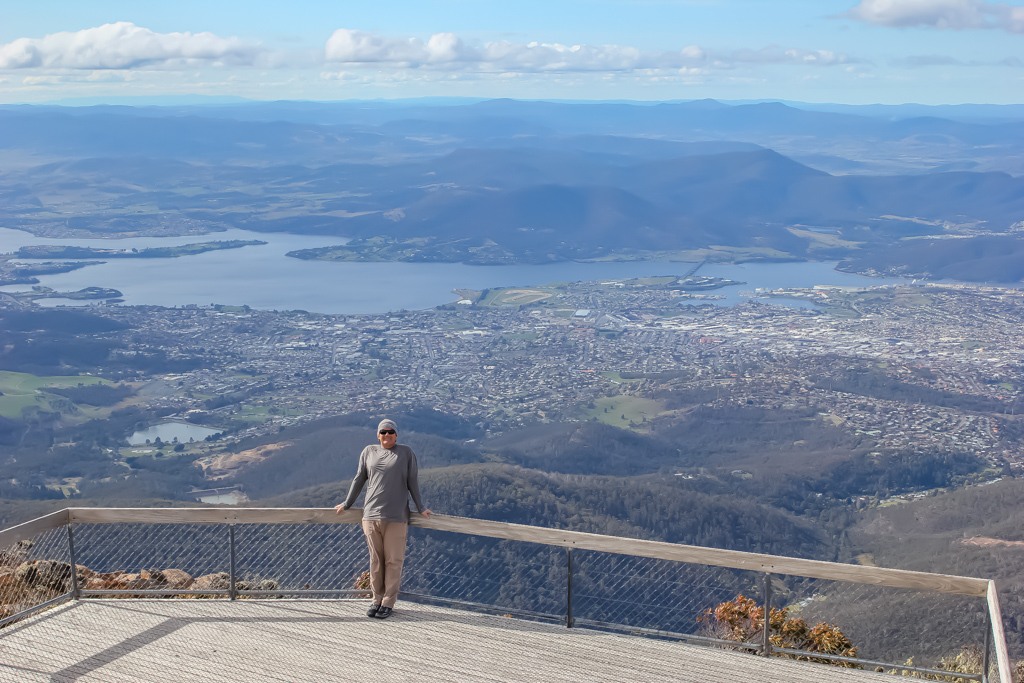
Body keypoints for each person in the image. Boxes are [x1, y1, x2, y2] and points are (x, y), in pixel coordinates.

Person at [335, 418, 431, 619]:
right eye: (383, 432)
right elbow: (359, 478)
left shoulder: (405, 453)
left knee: (393, 560)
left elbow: (412, 481)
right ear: (378, 435)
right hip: (371, 515)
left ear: (396, 435)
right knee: (376, 560)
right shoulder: (368, 451)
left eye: (391, 432)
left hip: (396, 516)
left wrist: (420, 507)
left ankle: (388, 602)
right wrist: (347, 503)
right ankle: (376, 599)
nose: (387, 435)